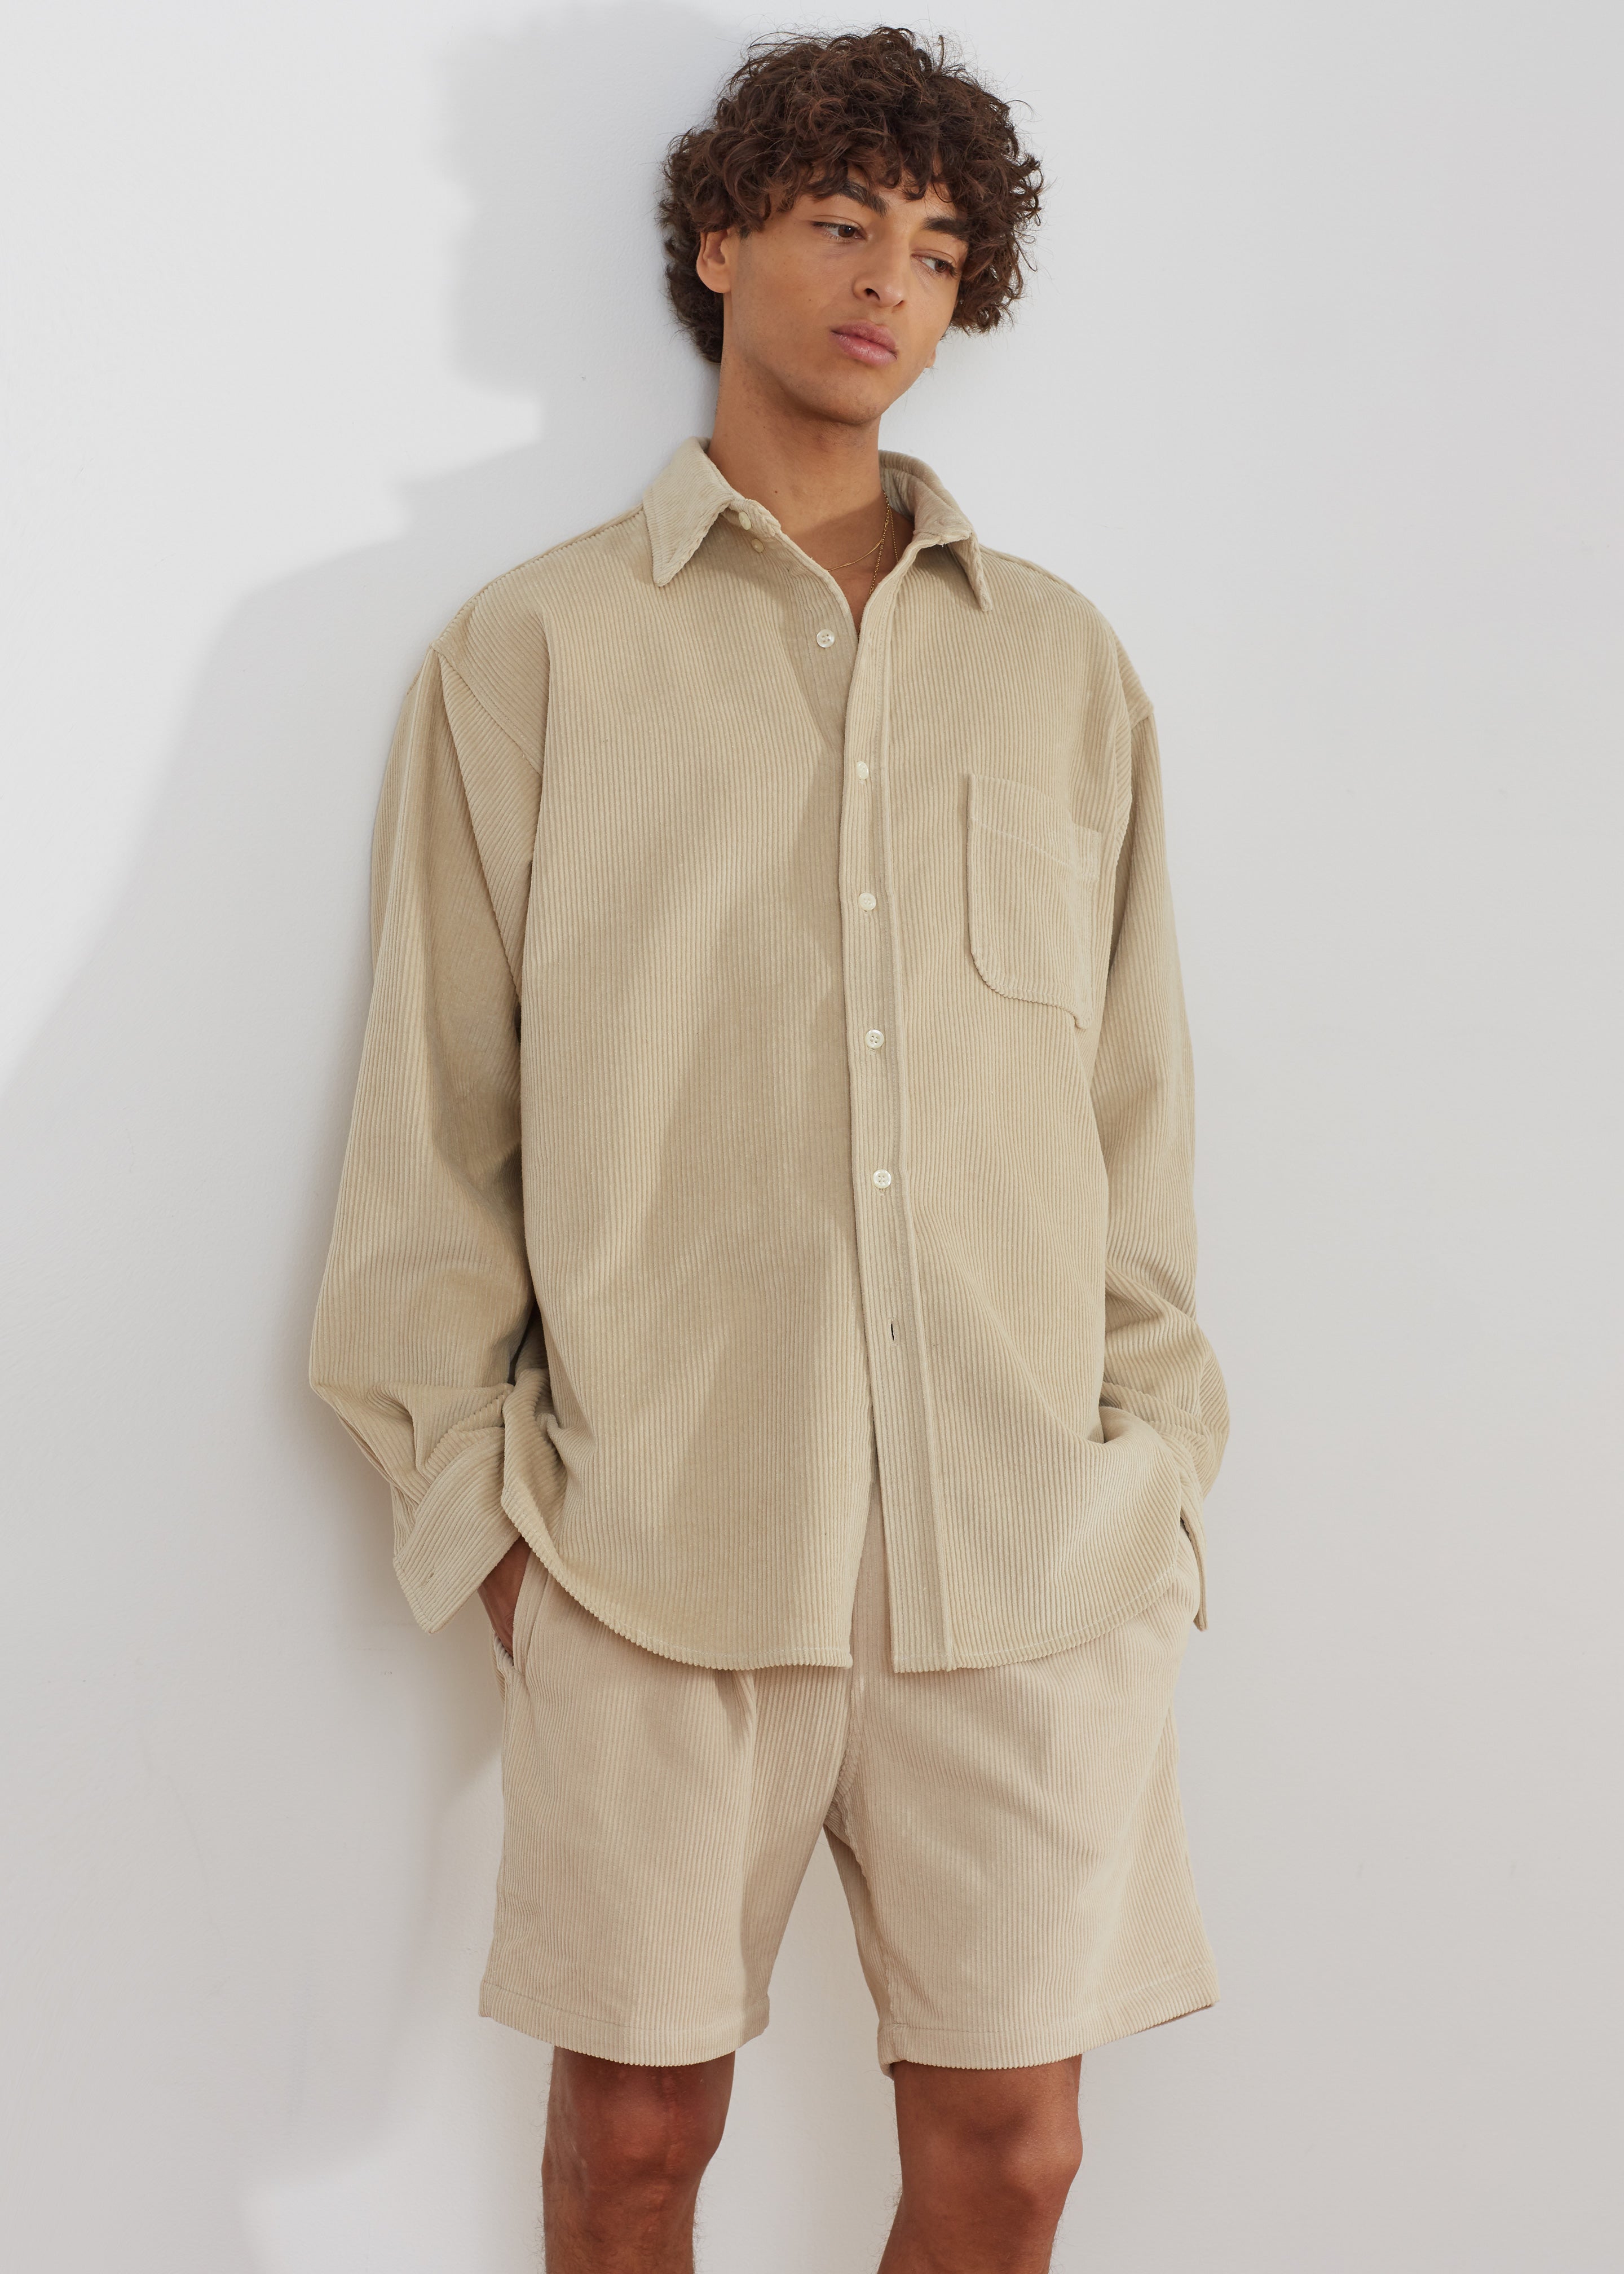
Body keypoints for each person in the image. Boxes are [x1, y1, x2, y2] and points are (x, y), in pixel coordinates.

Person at [310, 25, 1229, 2272]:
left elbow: (1135, 1104)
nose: (890, 280)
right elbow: (435, 1119)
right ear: (720, 242)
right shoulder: (537, 651)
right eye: (840, 222)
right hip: (657, 1545)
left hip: (1022, 1553)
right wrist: (495, 1525)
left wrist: (1151, 1473)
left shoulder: (1063, 667)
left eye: (939, 248)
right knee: (633, 2140)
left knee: (1013, 2149)